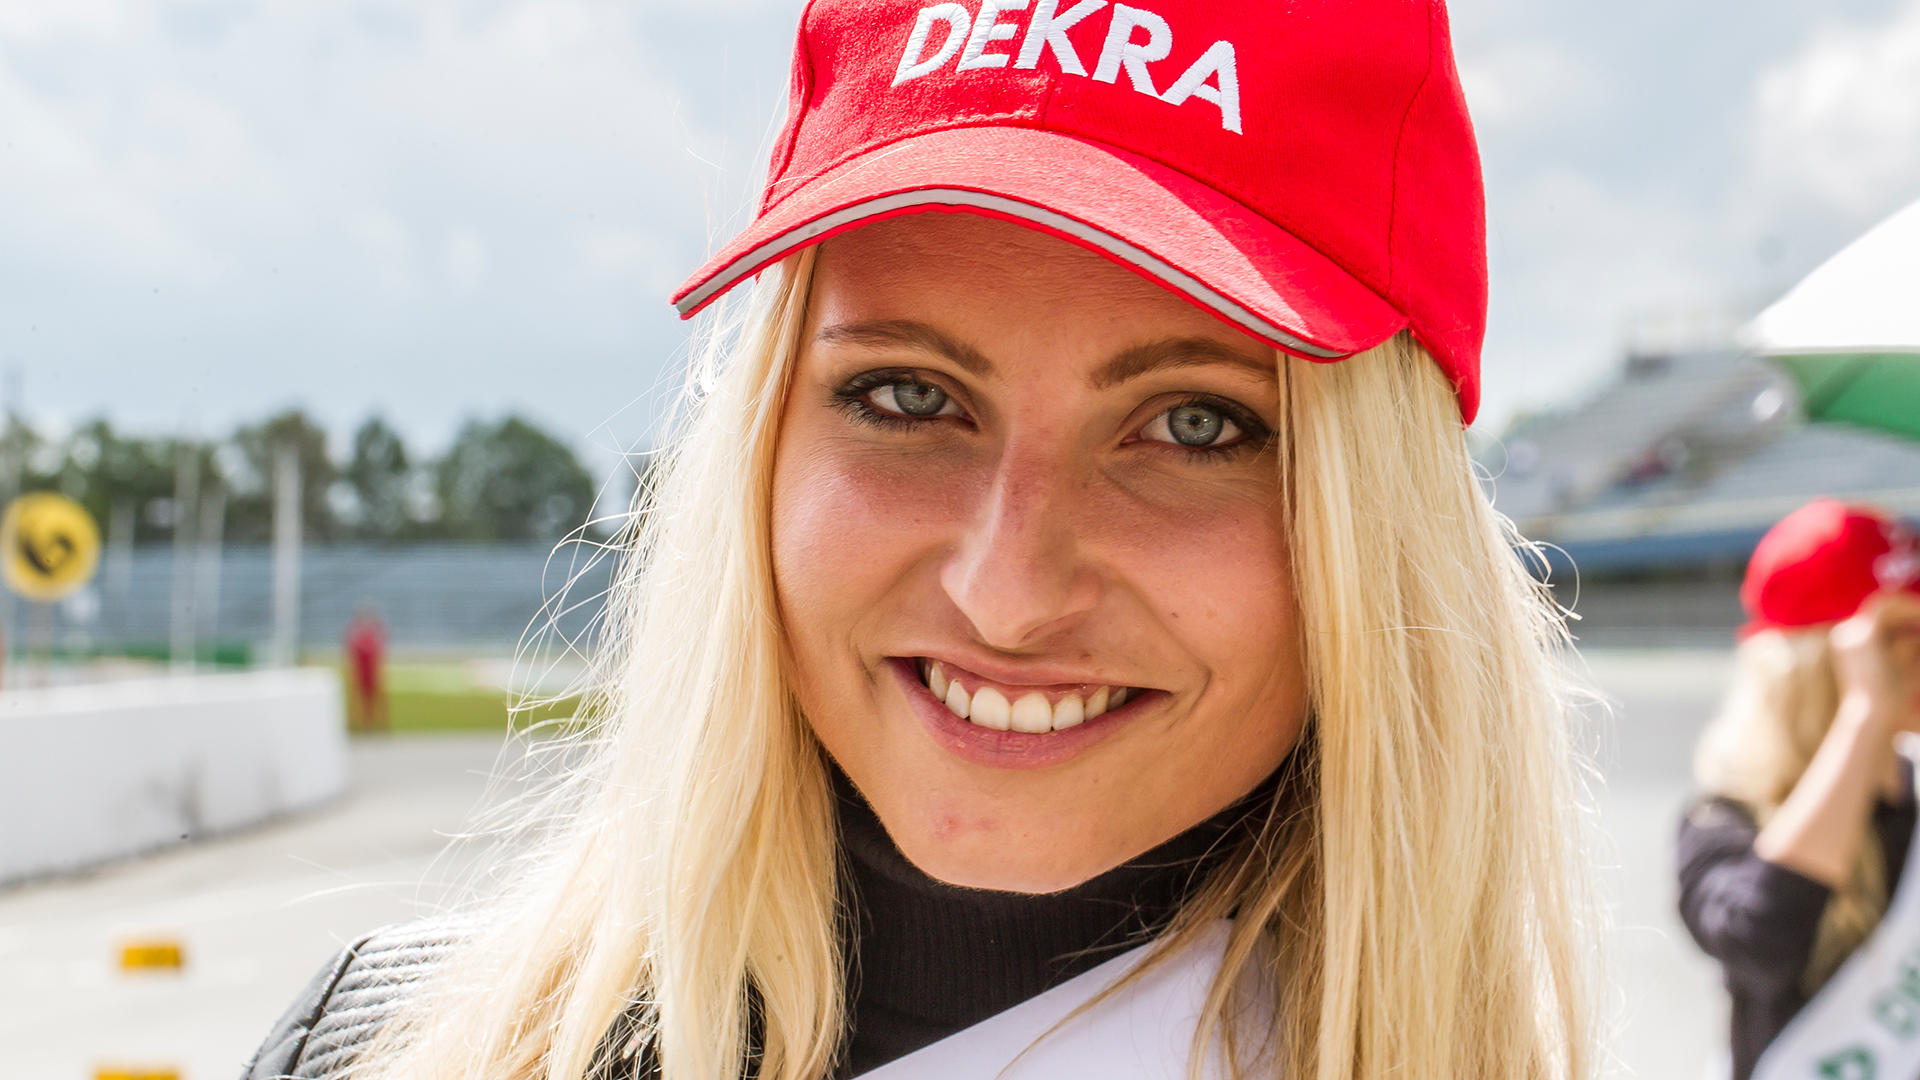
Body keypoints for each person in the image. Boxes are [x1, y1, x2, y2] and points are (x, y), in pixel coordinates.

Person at [244, 1, 1598, 1077]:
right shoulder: (386, 1051)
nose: (1007, 594)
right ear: (766, 445)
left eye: (1195, 426)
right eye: (907, 398)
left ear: (1379, 524)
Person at [1680, 499, 1920, 1080]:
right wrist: (1864, 716)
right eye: (1903, 633)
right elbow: (1759, 945)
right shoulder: (1724, 817)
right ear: (1821, 660)